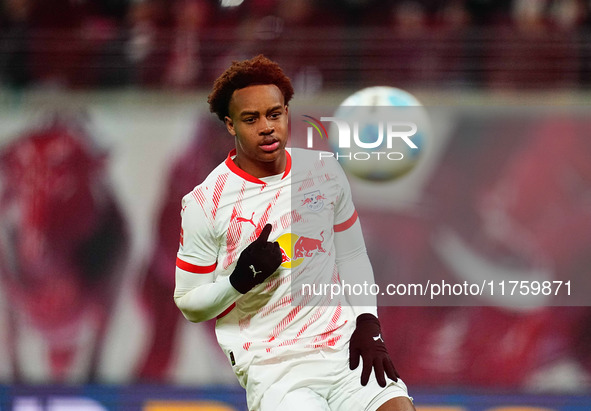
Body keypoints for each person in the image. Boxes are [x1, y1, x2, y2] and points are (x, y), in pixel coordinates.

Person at [173, 54, 415, 411]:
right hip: (274, 368)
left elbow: (351, 255)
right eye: (251, 119)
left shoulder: (324, 170)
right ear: (230, 125)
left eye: (274, 114)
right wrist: (238, 281)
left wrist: (368, 323)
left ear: (287, 112)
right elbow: (189, 303)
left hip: (344, 347)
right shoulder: (204, 202)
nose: (267, 127)